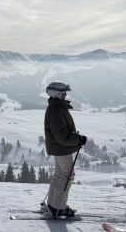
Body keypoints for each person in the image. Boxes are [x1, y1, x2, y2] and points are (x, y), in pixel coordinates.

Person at [44, 81, 87, 217]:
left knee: (60, 175)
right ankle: (58, 208)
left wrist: (76, 138)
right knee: (67, 176)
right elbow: (62, 136)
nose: (66, 95)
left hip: (59, 149)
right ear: (57, 94)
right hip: (62, 149)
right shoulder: (56, 110)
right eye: (63, 93)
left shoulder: (56, 107)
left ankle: (53, 204)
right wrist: (78, 138)